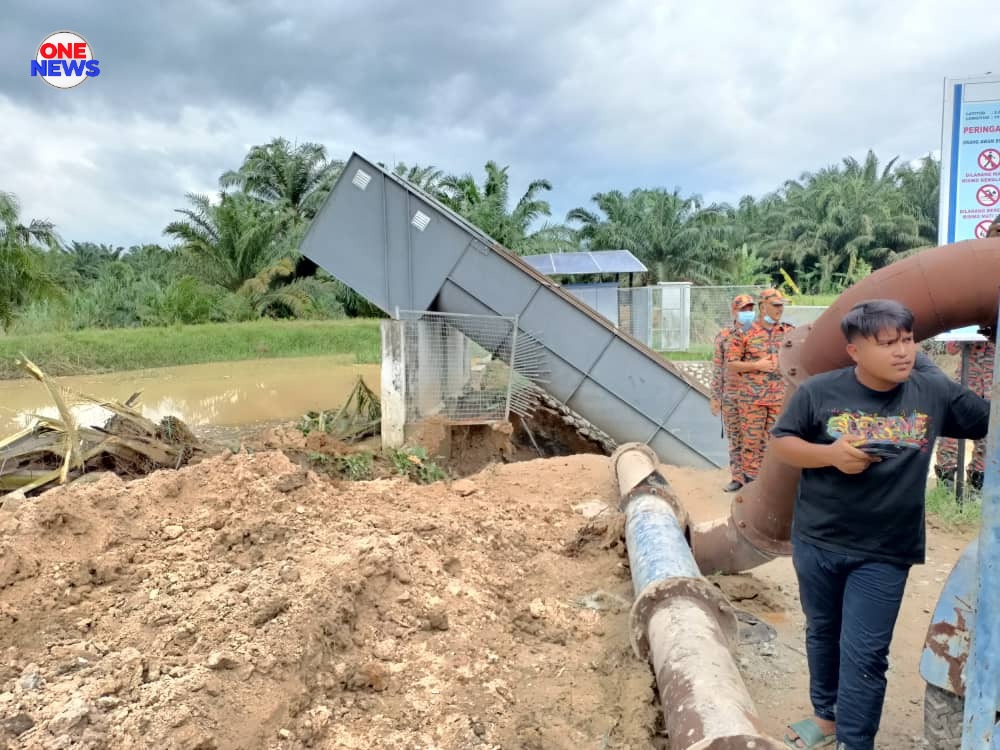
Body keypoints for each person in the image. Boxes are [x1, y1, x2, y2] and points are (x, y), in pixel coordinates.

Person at [769, 299, 990, 750]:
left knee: (866, 653)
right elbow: (783, 443)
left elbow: (988, 419)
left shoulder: (933, 392)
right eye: (887, 343)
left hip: (886, 548)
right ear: (854, 352)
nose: (902, 351)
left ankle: (855, 741)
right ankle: (826, 717)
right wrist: (829, 455)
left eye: (908, 340)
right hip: (819, 540)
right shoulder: (819, 392)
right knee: (823, 630)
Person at [726, 288, 795, 484]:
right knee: (751, 443)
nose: (780, 310)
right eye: (776, 306)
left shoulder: (788, 332)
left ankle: (768, 483)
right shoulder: (745, 332)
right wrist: (756, 365)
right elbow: (731, 363)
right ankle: (751, 484)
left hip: (778, 398)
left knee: (774, 442)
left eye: (782, 306)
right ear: (763, 307)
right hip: (752, 399)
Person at [933, 337, 994, 490]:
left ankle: (975, 488)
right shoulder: (970, 319)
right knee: (949, 440)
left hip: (992, 388)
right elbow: (951, 349)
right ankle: (945, 487)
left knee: (987, 442)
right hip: (965, 387)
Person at [711, 293, 756, 491]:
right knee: (735, 438)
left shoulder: (760, 334)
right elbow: (718, 368)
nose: (747, 313)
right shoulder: (724, 336)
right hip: (731, 396)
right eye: (743, 309)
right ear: (734, 311)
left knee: (754, 439)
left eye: (750, 309)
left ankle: (754, 479)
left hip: (756, 396)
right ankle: (738, 478)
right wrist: (715, 397)